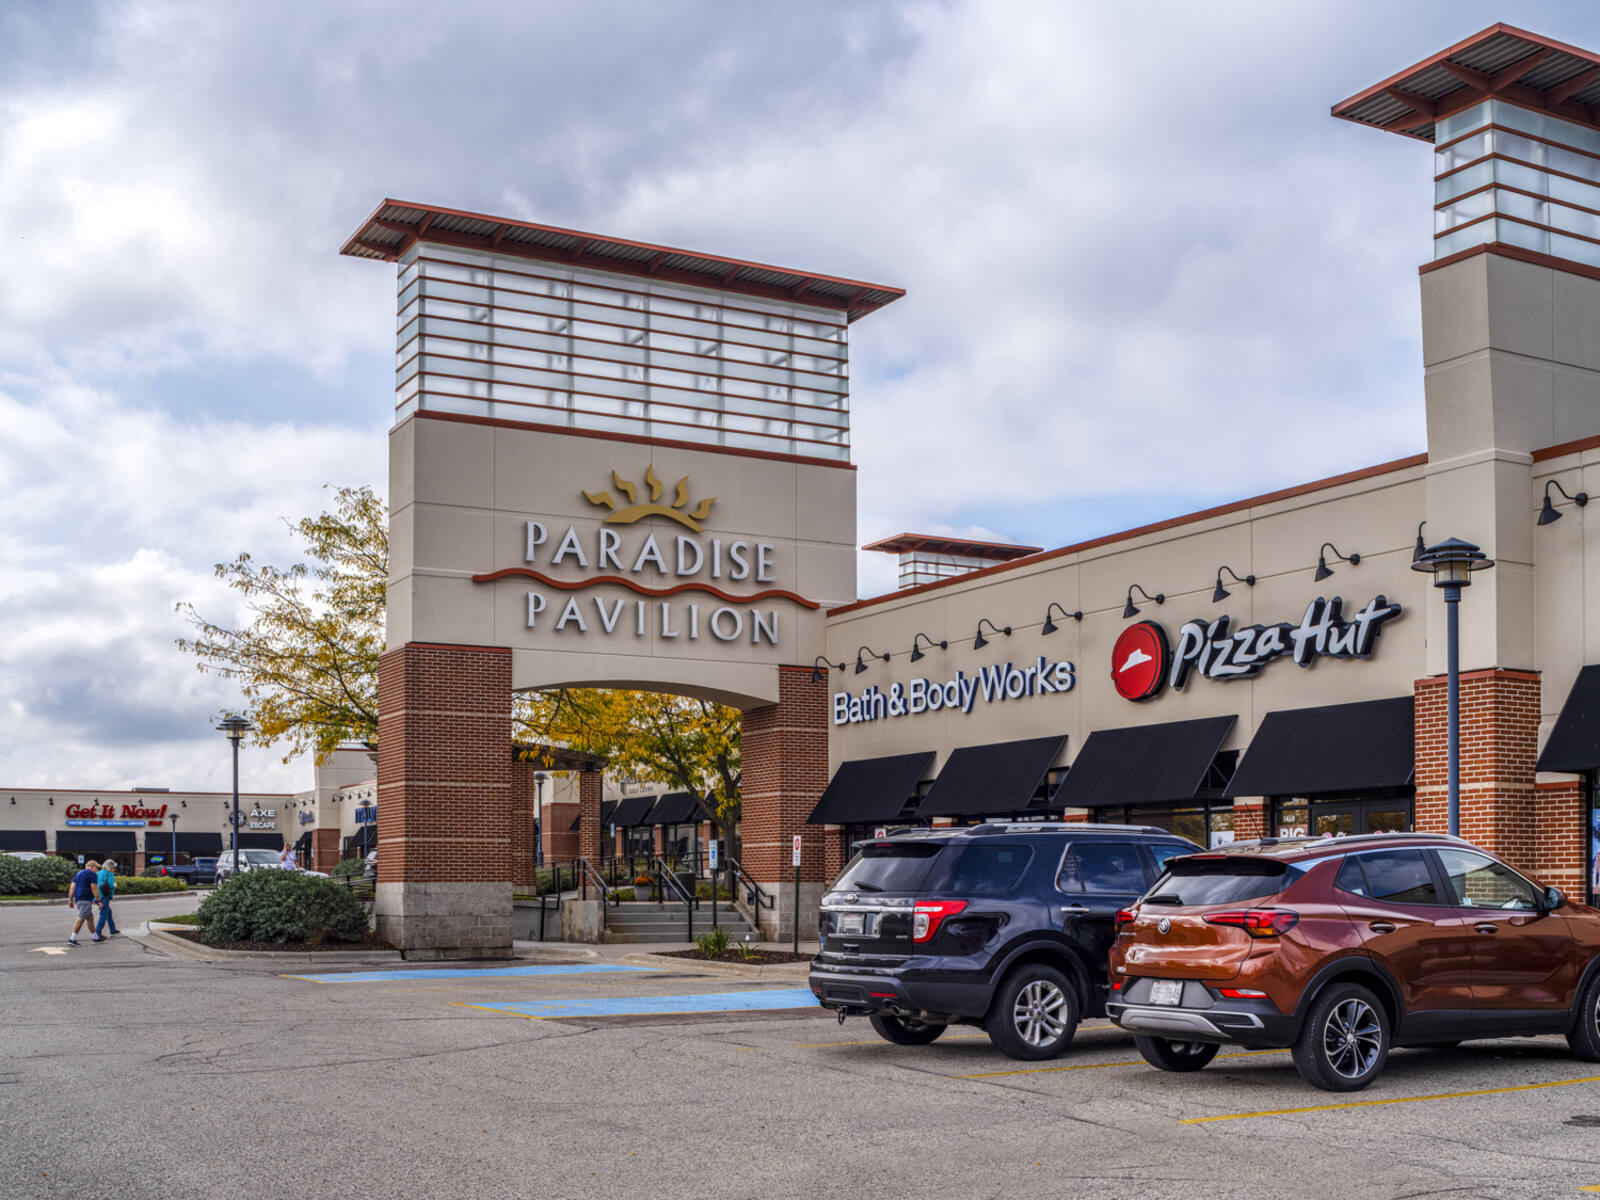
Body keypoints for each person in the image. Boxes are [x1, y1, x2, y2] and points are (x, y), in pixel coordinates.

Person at [68, 860, 101, 945]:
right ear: (92, 867)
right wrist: (98, 900)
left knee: (90, 917)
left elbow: (72, 887)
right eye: (96, 868)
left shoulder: (79, 874)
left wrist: (70, 899)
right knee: (81, 918)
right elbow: (94, 888)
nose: (97, 870)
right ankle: (72, 939)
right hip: (85, 899)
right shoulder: (92, 875)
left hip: (78, 898)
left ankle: (95, 937)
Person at [95, 859, 120, 938]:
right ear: (110, 867)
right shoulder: (110, 874)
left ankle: (112, 929)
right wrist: (115, 885)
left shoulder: (98, 873)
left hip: (97, 896)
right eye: (113, 868)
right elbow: (110, 885)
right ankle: (97, 933)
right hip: (105, 896)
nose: (114, 869)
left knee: (108, 911)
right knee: (103, 914)